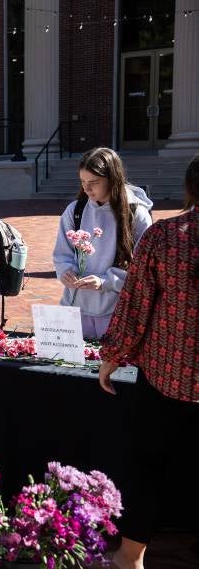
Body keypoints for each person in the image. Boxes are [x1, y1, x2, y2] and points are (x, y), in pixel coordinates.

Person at [98, 154, 198, 569]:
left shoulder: (165, 236)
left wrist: (111, 358)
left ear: (190, 189)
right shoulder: (162, 236)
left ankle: (131, 555)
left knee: (149, 469)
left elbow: (136, 307)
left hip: (166, 378)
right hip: (168, 376)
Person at [52, 147, 153, 339]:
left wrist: (105, 281)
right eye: (82, 182)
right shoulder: (75, 210)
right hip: (76, 307)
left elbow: (143, 267)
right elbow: (62, 253)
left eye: (93, 183)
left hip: (117, 310)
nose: (86, 189)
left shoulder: (136, 214)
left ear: (112, 180)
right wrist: (65, 270)